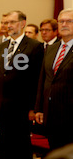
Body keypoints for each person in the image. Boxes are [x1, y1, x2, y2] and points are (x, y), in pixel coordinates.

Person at [0, 10, 44, 159]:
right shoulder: (0, 47)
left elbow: (37, 79)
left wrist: (34, 108)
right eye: (6, 23)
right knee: (5, 147)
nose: (8, 25)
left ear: (22, 23)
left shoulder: (34, 46)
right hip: (2, 107)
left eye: (12, 22)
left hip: (22, 108)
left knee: (20, 148)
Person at [35, 8, 73, 151]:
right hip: (51, 115)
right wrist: (39, 108)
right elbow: (43, 79)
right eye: (61, 21)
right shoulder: (52, 48)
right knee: (54, 151)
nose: (64, 24)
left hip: (70, 116)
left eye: (69, 21)